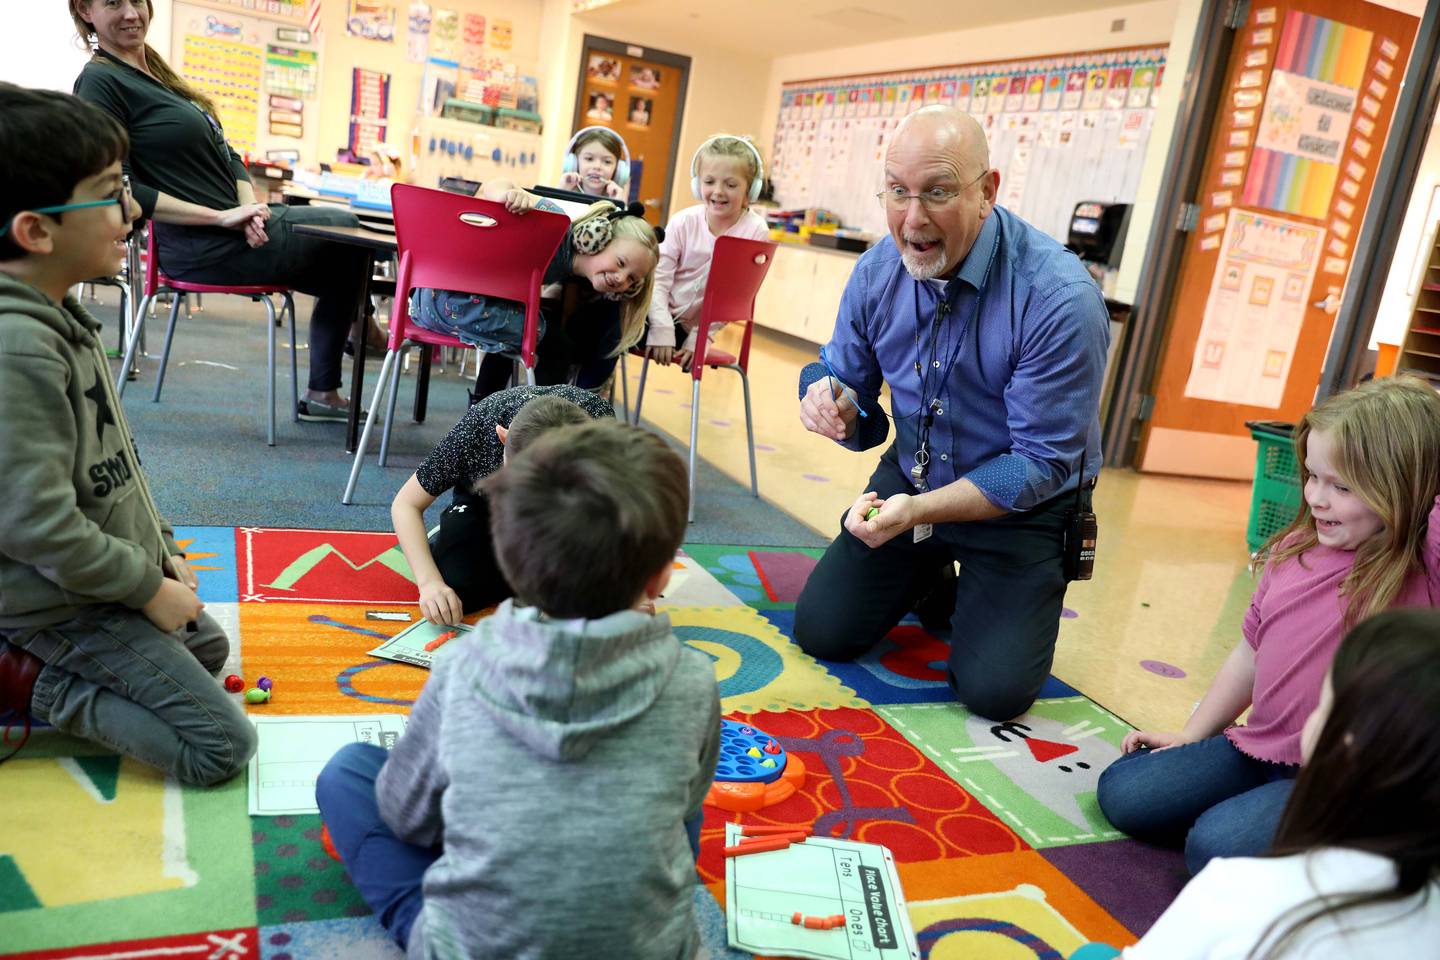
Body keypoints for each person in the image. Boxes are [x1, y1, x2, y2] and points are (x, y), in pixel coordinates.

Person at [316, 420, 721, 959]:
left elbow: (407, 817)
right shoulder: (694, 680)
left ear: (507, 559)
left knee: (346, 773)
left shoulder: (463, 669)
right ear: (661, 580)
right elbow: (684, 811)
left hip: (474, 946)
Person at [794, 105, 1109, 721]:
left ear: (987, 191)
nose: (913, 219)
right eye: (898, 193)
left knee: (994, 695)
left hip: (1025, 507)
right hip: (913, 477)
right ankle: (930, 568)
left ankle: (959, 573)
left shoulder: (1059, 298)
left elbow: (1039, 465)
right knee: (823, 632)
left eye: (938, 193)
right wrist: (826, 397)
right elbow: (848, 384)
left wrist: (921, 513)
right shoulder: (879, 268)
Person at [0, 84, 255, 784]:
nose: (134, 210)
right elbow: (34, 524)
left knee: (202, 649)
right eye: (111, 193)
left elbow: (116, 469)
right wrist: (144, 587)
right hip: (52, 601)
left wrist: (160, 553)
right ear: (36, 232)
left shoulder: (64, 319)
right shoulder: (18, 348)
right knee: (218, 749)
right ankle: (24, 684)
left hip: (93, 581)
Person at [1096, 375, 1440, 875]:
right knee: (1124, 793)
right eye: (1313, 475)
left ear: (1407, 490)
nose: (1317, 497)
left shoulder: (1423, 565)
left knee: (1214, 847)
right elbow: (1248, 654)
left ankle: (1367, 830)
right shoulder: (1290, 550)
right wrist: (1193, 735)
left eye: (1342, 487)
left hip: (1341, 779)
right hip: (1259, 747)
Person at [70, 0, 372, 423]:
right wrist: (220, 217)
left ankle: (335, 372)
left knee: (347, 260)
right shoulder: (101, 81)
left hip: (238, 230)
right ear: (86, 11)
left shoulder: (159, 74)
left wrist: (250, 208)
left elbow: (228, 154)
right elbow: (118, 187)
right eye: (113, 4)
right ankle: (363, 332)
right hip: (202, 244)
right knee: (345, 231)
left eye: (137, 0)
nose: (131, 13)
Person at [1110, 608, 1440, 958]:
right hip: (1256, 748)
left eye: (1322, 707)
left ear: (1344, 746)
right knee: (1131, 791)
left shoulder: (1235, 891)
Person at [391, 387, 614, 624]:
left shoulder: (600, 432)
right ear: (502, 437)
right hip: (487, 501)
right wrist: (429, 583)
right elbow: (406, 504)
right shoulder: (480, 425)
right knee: (454, 589)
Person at [452, 187, 660, 404]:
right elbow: (490, 186)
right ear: (597, 236)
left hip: (445, 303)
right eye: (620, 263)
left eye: (631, 280)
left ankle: (487, 411)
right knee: (557, 346)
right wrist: (508, 194)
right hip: (459, 303)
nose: (621, 280)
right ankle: (537, 421)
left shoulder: (570, 265)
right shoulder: (555, 223)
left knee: (525, 329)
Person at [645, 135, 770, 372]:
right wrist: (661, 326)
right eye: (709, 181)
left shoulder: (755, 230)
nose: (718, 192)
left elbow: (734, 296)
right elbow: (658, 279)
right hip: (654, 315)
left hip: (697, 332)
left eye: (731, 185)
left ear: (750, 190)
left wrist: (701, 338)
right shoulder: (683, 222)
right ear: (697, 183)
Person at [557, 127, 629, 201]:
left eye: (607, 162)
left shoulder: (617, 199)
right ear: (574, 163)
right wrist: (559, 193)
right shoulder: (564, 193)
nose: (597, 166)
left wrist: (619, 204)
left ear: (618, 169)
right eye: (589, 159)